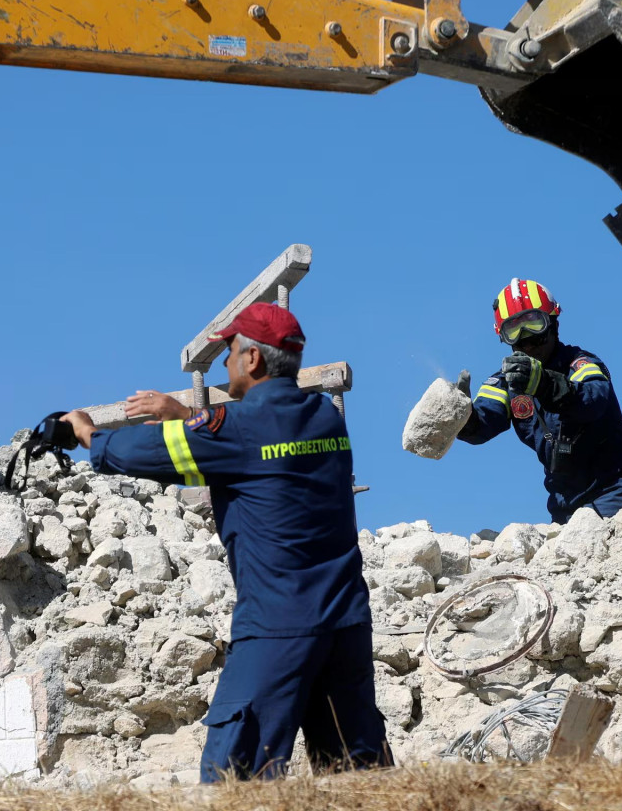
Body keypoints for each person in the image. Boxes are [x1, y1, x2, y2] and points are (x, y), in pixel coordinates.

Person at [61, 302, 392, 780]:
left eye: (232, 350)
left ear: (253, 360)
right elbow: (247, 450)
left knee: (237, 778)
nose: (225, 363)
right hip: (346, 624)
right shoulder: (325, 419)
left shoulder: (236, 431)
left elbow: (144, 452)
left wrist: (86, 433)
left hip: (278, 625)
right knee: (358, 778)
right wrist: (189, 418)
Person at [456, 278, 622, 524]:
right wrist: (461, 415)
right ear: (505, 337)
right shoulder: (506, 381)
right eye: (515, 329)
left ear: (553, 323)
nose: (527, 338)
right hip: (563, 501)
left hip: (614, 488)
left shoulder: (581, 363)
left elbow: (594, 399)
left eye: (534, 324)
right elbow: (482, 422)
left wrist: (546, 385)